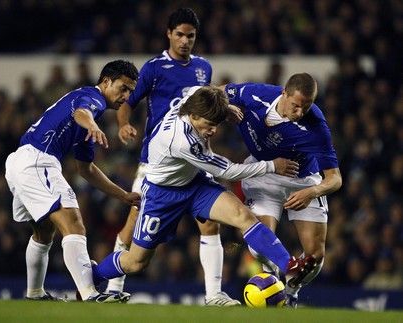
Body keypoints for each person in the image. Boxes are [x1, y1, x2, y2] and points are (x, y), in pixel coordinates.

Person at [92, 86, 317, 302]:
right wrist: (271, 166)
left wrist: (223, 107)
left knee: (243, 215)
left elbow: (205, 90)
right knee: (136, 261)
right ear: (193, 115)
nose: (213, 131)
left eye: (215, 124)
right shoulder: (182, 141)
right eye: (209, 124)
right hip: (162, 194)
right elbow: (229, 170)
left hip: (195, 184)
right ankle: (93, 276)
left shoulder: (194, 99)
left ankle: (289, 265)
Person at [110, 8, 239, 306]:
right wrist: (123, 123)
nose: (185, 41)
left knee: (209, 223)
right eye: (179, 34)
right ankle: (113, 288)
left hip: (193, 158)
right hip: (158, 162)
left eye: (190, 36)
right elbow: (127, 101)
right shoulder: (154, 68)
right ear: (169, 33)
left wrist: (221, 112)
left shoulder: (204, 67)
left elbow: (206, 104)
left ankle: (213, 295)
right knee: (133, 224)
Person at [4, 60, 141, 303]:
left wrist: (123, 195)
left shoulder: (88, 119)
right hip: (38, 159)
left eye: (131, 91)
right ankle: (90, 294)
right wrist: (91, 124)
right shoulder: (92, 97)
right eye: (123, 88)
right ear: (107, 81)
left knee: (44, 231)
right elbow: (81, 113)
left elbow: (86, 170)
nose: (126, 96)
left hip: (20, 161)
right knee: (73, 222)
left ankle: (35, 294)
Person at [221, 73, 342, 307]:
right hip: (264, 176)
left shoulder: (316, 126)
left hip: (303, 181)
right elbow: (217, 91)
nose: (299, 113)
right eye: (296, 106)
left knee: (314, 257)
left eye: (305, 108)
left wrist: (313, 192)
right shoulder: (256, 94)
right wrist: (224, 107)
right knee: (260, 247)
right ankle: (274, 289)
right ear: (283, 93)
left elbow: (335, 179)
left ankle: (291, 289)